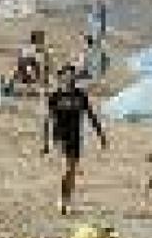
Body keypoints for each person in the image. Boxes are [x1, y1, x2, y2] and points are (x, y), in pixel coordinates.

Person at [43, 66, 107, 215]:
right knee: (66, 169)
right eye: (67, 76)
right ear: (62, 78)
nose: (70, 79)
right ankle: (62, 199)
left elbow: (91, 116)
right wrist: (46, 143)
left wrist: (100, 135)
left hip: (76, 137)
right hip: (60, 138)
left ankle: (67, 199)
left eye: (73, 77)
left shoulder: (80, 95)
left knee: (71, 171)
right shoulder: (55, 96)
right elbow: (47, 120)